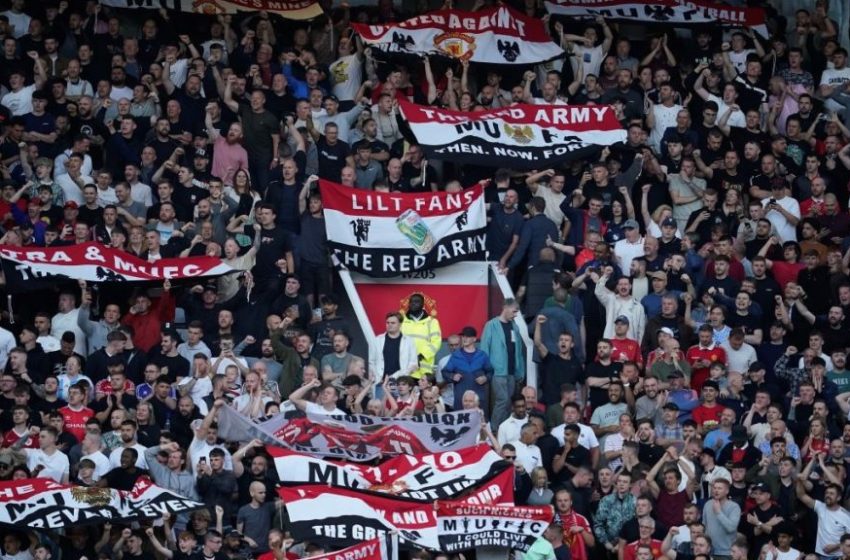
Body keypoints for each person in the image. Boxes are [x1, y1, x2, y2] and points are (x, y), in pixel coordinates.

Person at [481, 299, 525, 430]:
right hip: (497, 371)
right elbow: (484, 348)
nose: (515, 314)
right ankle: (493, 429)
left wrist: (520, 371)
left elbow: (518, 351)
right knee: (502, 400)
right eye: (514, 311)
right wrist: (486, 369)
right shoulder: (491, 325)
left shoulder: (514, 326)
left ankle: (504, 429)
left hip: (512, 371)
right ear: (505, 307)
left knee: (508, 402)